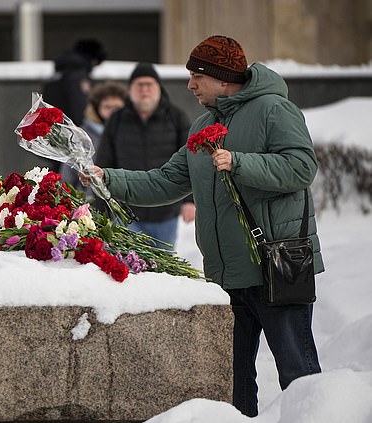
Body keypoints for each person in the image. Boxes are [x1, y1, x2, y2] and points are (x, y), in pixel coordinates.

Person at [79, 35, 323, 417]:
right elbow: (165, 181)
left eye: (197, 77)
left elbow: (302, 167)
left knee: (297, 374)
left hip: (276, 268)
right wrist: (106, 178)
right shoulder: (202, 126)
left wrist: (239, 162)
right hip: (225, 276)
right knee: (231, 380)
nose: (190, 85)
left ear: (223, 79)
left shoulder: (275, 110)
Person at [95, 62, 195, 249]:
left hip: (166, 212)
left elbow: (191, 160)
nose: (145, 90)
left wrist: (190, 201)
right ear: (130, 90)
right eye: (139, 85)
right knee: (131, 267)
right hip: (127, 212)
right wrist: (102, 208)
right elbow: (104, 161)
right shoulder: (117, 119)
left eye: (149, 84)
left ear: (159, 88)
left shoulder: (176, 117)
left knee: (163, 268)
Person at [59, 80, 127, 193]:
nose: (112, 113)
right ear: (97, 108)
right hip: (91, 202)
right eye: (107, 107)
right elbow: (67, 176)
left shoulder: (131, 132)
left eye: (117, 108)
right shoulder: (82, 137)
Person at [42, 39, 107, 127]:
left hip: (54, 128)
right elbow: (80, 108)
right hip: (70, 131)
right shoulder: (78, 76)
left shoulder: (58, 75)